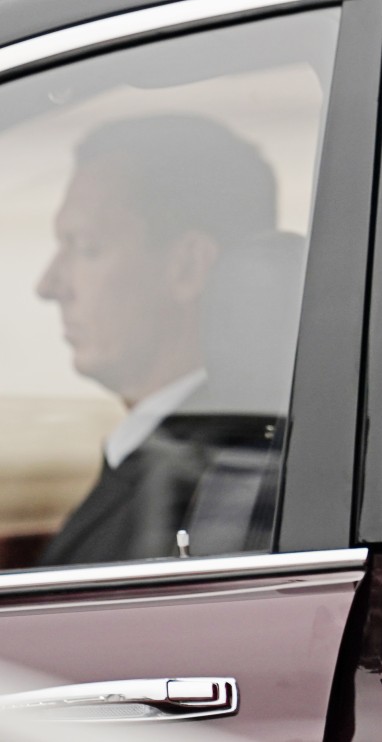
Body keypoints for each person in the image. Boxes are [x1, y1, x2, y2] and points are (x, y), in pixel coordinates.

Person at [35, 114, 280, 566]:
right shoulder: (191, 463)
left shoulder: (199, 484)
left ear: (186, 267)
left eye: (87, 247)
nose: (48, 285)